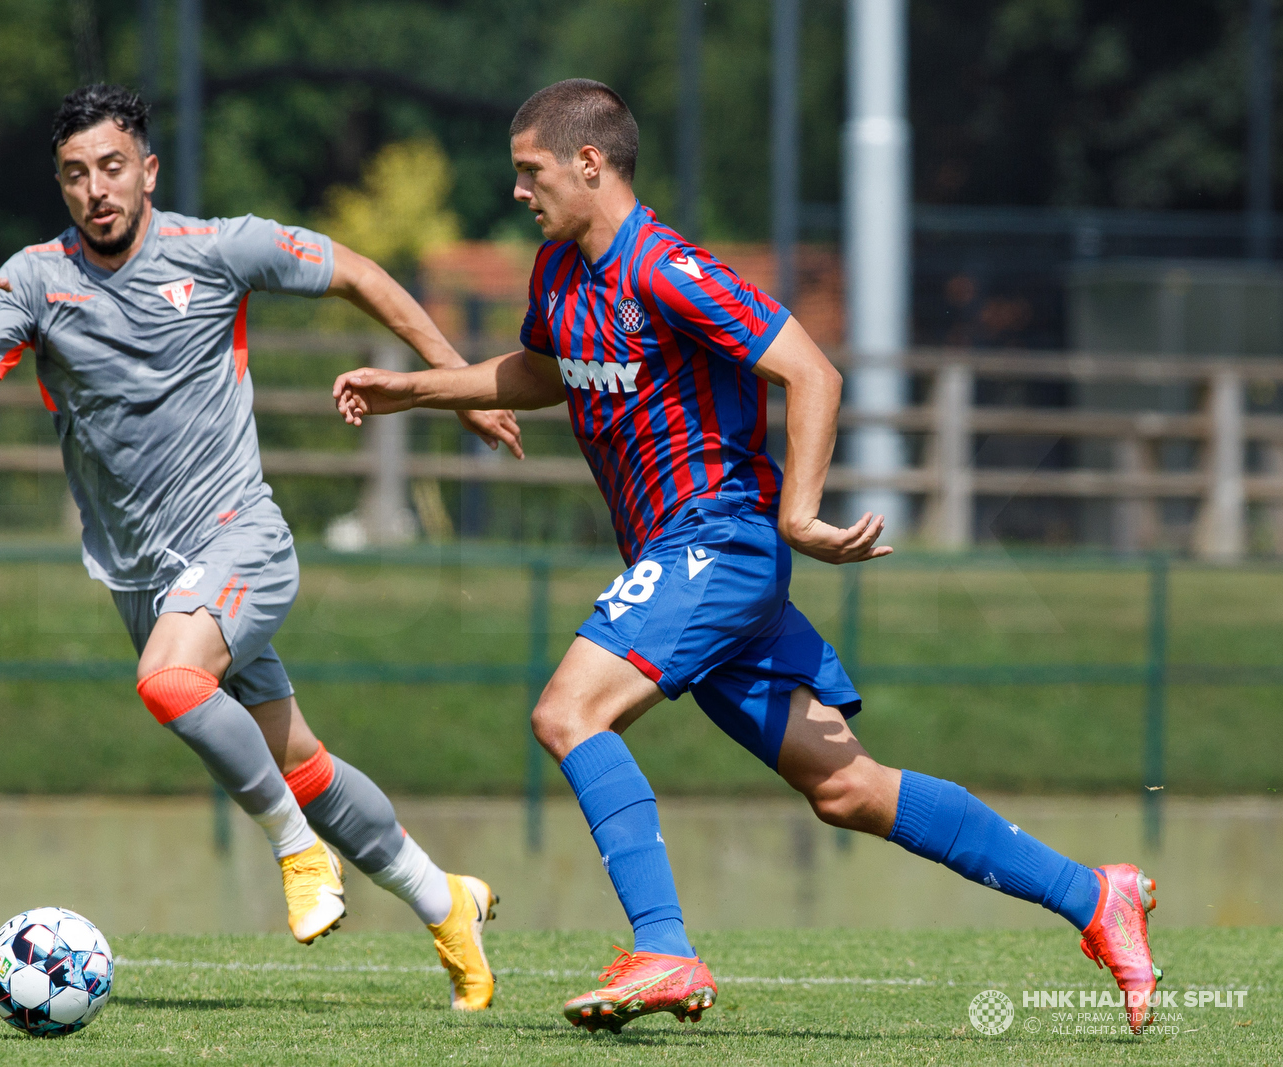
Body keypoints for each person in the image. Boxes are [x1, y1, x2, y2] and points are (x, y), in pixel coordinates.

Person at [333, 78, 1161, 1034]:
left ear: (589, 163)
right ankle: (1094, 894)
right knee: (848, 786)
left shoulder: (669, 269)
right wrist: (415, 389)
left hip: (718, 541)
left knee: (568, 711)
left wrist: (801, 514)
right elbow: (543, 368)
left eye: (532, 171)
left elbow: (810, 368)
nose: (519, 191)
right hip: (684, 560)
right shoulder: (558, 275)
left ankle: (665, 947)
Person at [0, 83, 512, 1010]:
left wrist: (457, 383)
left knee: (170, 681)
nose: (97, 190)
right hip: (142, 577)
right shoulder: (35, 282)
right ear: (60, 184)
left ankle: (298, 855)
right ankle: (448, 904)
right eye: (76, 175)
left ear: (148, 170)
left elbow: (359, 270)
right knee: (305, 764)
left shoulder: (216, 249)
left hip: (241, 539)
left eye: (113, 167)